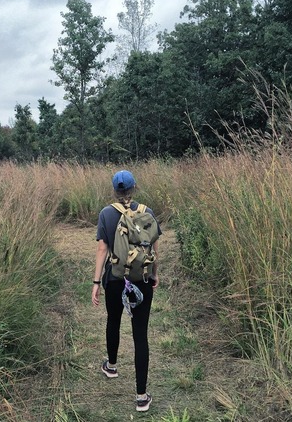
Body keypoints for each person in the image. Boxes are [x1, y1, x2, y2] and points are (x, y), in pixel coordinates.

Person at [91, 170, 161, 412]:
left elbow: (102, 250)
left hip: (116, 279)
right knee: (140, 336)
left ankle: (111, 366)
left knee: (113, 320)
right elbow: (153, 249)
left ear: (114, 190)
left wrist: (96, 282)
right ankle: (141, 396)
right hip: (140, 279)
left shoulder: (106, 214)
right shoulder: (147, 213)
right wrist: (153, 275)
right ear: (134, 188)